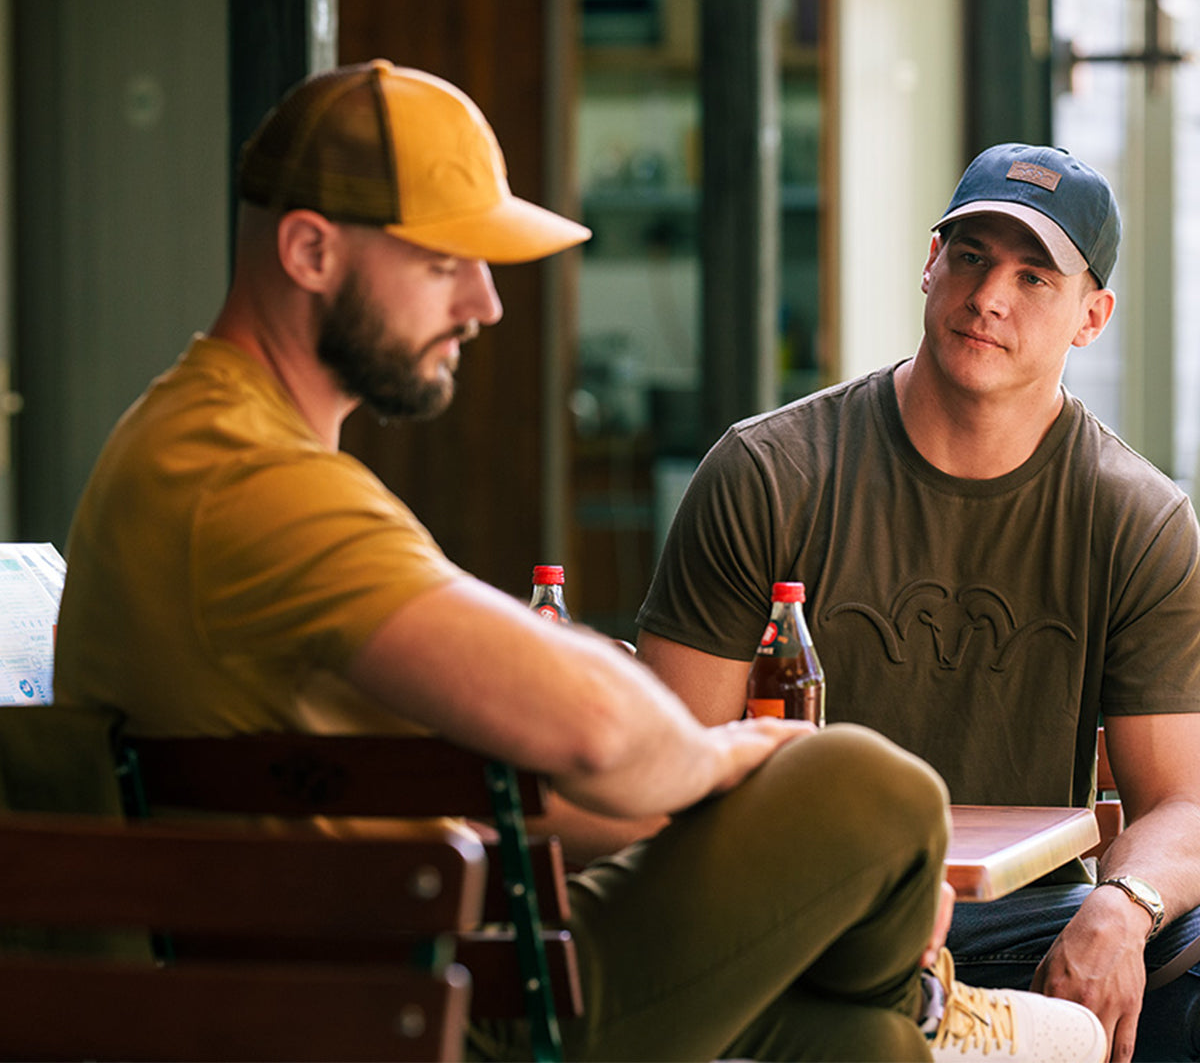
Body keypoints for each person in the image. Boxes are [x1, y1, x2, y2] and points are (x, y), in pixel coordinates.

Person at [53, 63, 1106, 1063]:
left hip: (399, 963)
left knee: (855, 1042)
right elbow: (597, 722)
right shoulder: (242, 480)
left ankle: (912, 1010)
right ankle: (927, 1001)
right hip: (407, 1009)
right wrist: (747, 759)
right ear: (311, 253)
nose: (485, 303)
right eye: (441, 261)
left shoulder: (209, 445)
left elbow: (530, 749)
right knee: (868, 789)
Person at [636, 142, 1200, 1062]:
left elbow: (1182, 802)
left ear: (1091, 317)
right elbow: (665, 767)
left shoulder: (1135, 517)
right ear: (930, 264)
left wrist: (1121, 909)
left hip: (1024, 928)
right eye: (971, 256)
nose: (989, 297)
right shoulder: (768, 474)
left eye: (1034, 277)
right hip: (802, 914)